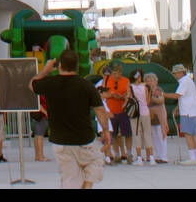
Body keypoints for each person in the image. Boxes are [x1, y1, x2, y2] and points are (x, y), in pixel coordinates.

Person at [30, 50, 112, 189]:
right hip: (84, 138)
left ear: (60, 65)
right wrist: (105, 130)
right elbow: (99, 110)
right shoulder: (86, 85)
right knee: (95, 163)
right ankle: (86, 185)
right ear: (77, 66)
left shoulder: (50, 83)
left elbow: (32, 85)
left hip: (60, 140)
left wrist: (46, 69)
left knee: (70, 179)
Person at [164, 63, 196, 165]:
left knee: (188, 134)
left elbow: (177, 96)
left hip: (187, 112)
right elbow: (185, 97)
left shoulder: (184, 82)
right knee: (192, 134)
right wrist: (177, 108)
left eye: (176, 73)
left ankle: (193, 158)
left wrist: (163, 94)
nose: (175, 75)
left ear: (181, 72)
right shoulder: (189, 81)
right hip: (192, 110)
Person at [100, 61, 131, 163]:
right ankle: (116, 153)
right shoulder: (106, 79)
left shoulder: (126, 81)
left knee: (126, 133)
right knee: (114, 134)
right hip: (111, 110)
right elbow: (103, 94)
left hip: (122, 110)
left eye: (119, 73)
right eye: (114, 74)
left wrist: (121, 97)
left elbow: (128, 95)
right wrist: (112, 95)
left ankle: (128, 153)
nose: (117, 76)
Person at [128, 69, 153, 165]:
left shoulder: (130, 87)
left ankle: (139, 158)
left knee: (136, 134)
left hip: (135, 113)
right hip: (145, 112)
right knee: (147, 133)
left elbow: (128, 98)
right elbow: (147, 101)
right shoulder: (145, 87)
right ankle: (151, 157)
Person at [144, 73, 169, 163]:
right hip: (150, 117)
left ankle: (164, 157)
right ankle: (158, 156)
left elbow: (160, 100)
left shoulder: (158, 90)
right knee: (154, 137)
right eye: (147, 80)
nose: (149, 82)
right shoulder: (145, 90)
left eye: (151, 80)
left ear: (155, 81)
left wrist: (151, 97)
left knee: (161, 135)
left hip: (159, 117)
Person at [29, 93, 49, 162]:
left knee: (37, 135)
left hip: (36, 114)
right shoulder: (40, 93)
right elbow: (39, 104)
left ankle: (37, 155)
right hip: (41, 115)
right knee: (40, 135)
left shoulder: (35, 92)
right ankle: (41, 156)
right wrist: (46, 112)